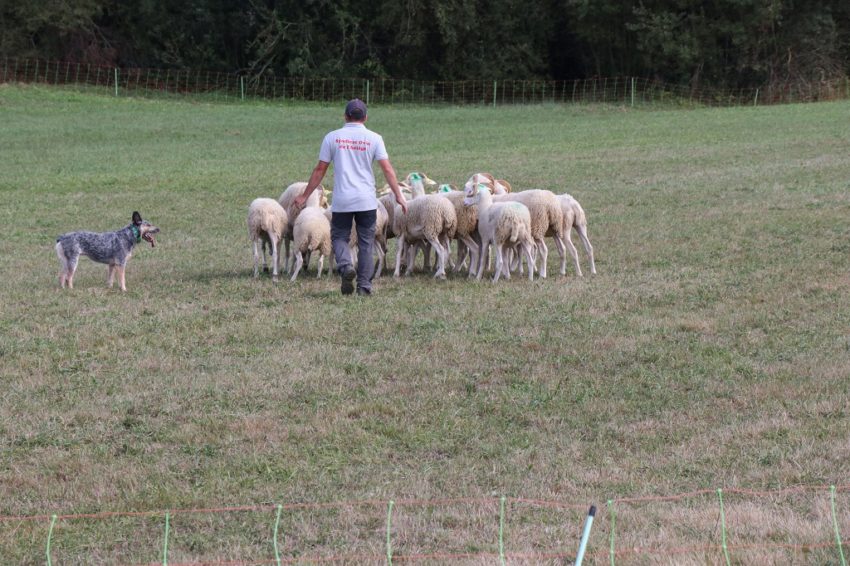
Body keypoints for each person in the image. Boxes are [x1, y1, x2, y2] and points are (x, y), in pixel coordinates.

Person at [294, 99, 407, 296]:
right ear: (365, 117)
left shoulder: (332, 137)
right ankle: (364, 287)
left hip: (342, 200)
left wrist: (305, 195)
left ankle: (346, 266)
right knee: (365, 242)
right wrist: (399, 196)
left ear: (345, 116)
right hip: (367, 201)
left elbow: (320, 169)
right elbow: (387, 169)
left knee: (339, 237)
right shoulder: (374, 138)